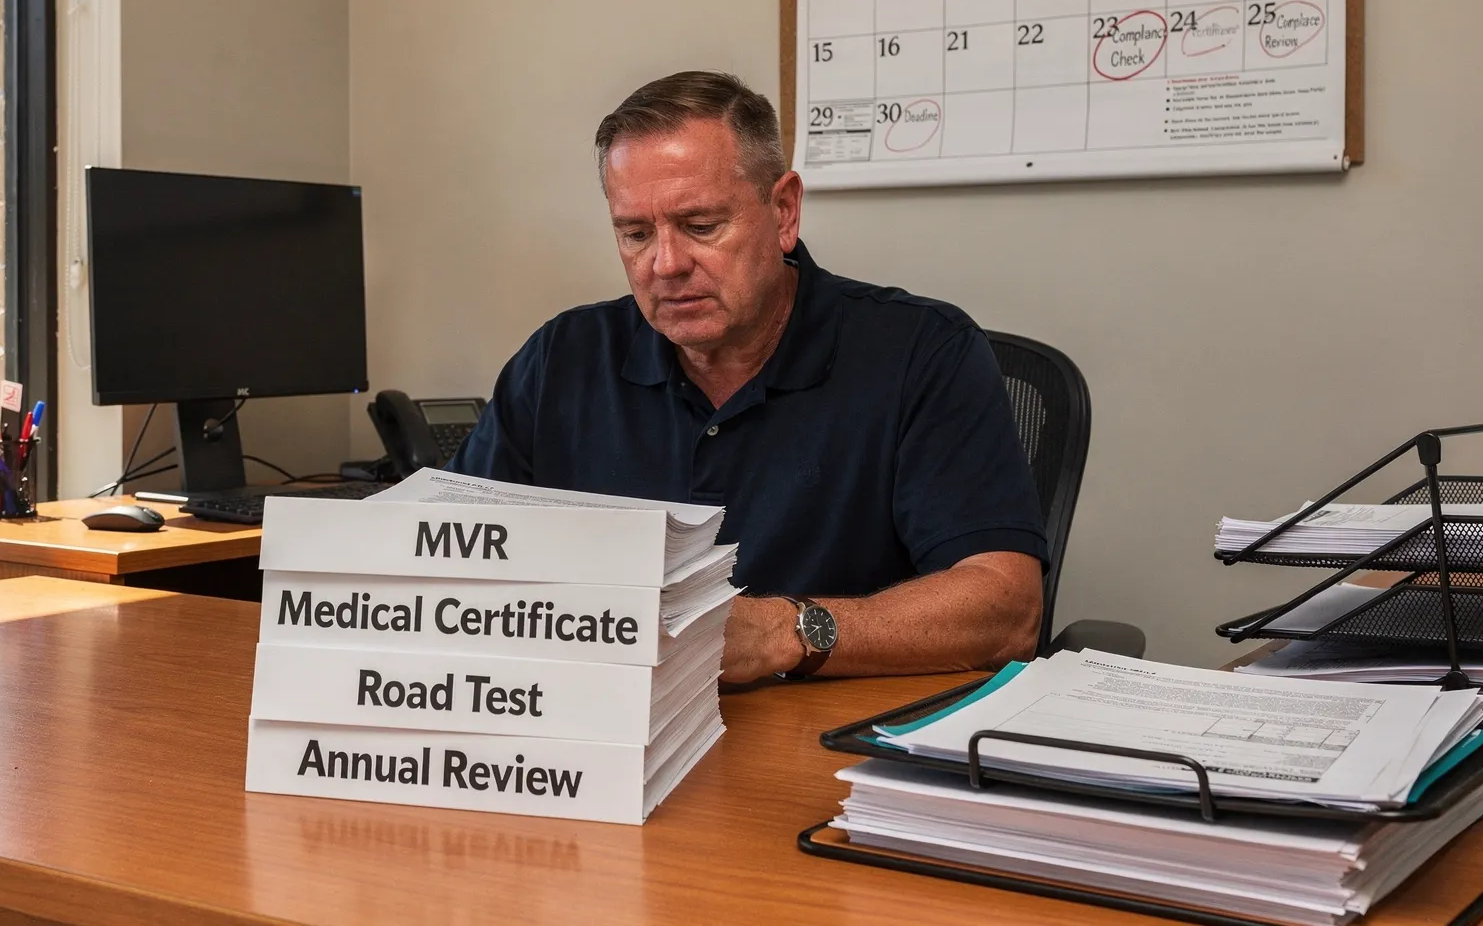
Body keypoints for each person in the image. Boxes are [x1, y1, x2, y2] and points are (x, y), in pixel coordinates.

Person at [448, 71, 1047, 683]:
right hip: (608, 728)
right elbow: (442, 556)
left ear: (784, 210)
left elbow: (1007, 610)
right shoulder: (561, 359)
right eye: (634, 234)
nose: (666, 264)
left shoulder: (923, 352)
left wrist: (786, 633)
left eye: (702, 226)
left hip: (823, 746)